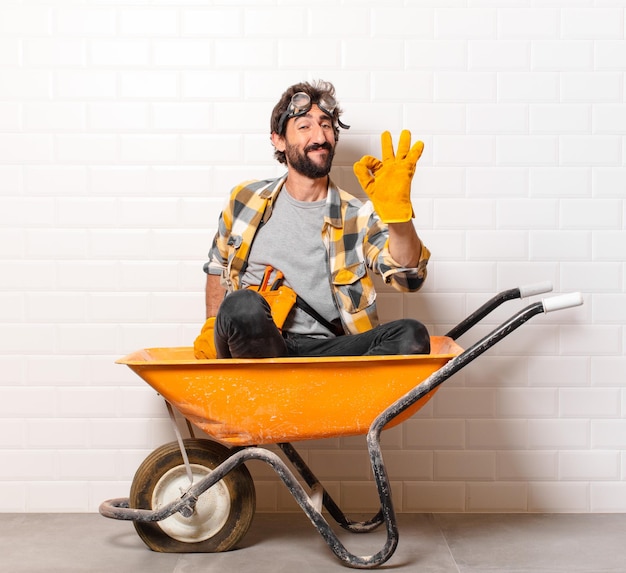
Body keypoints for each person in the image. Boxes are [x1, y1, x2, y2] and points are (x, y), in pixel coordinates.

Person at [195, 80, 431, 360]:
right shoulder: (245, 199)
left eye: (326, 125)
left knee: (411, 334)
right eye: (304, 126)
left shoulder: (358, 216)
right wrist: (212, 327)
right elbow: (217, 266)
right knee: (241, 305)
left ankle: (328, 392)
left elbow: (408, 279)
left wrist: (398, 217)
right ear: (278, 140)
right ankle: (274, 390)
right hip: (258, 347)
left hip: (327, 351)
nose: (319, 136)